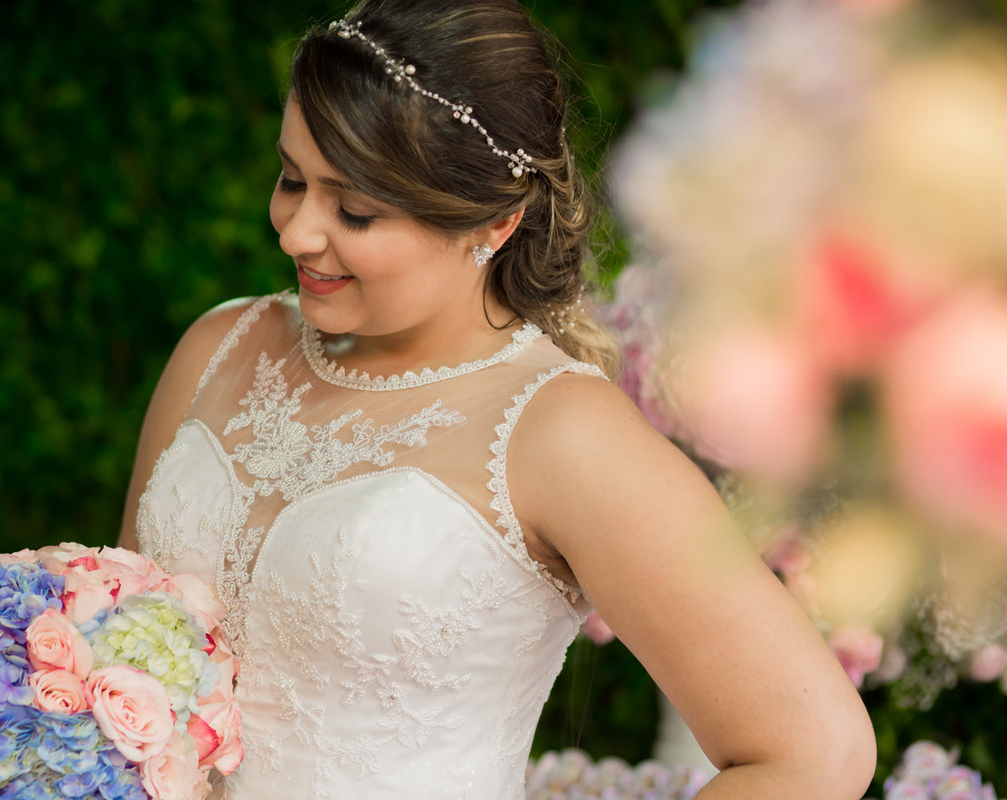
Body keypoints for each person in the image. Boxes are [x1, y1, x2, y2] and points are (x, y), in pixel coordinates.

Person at [117, 0, 876, 796]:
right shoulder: (219, 349)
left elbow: (814, 752)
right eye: (291, 178)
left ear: (497, 221)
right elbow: (115, 651)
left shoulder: (563, 433)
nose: (296, 232)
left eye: (354, 210)